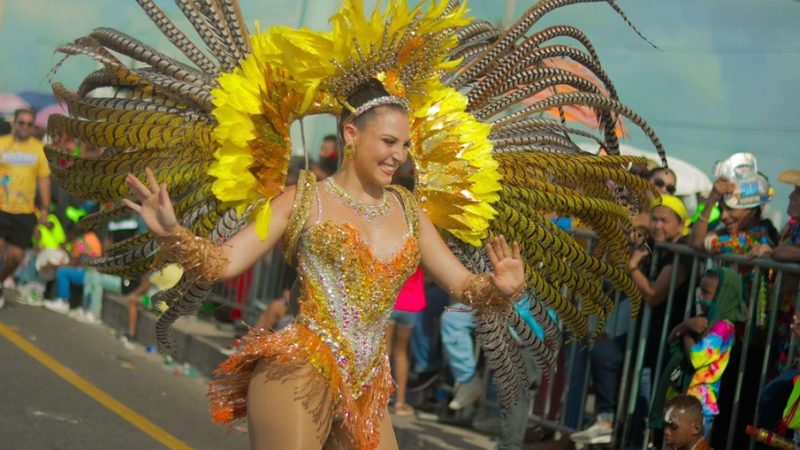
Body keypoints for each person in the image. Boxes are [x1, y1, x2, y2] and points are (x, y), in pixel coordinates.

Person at [49, 1, 667, 448]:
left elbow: (461, 285)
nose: (398, 154)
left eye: (405, 145)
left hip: (368, 387)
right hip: (299, 368)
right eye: (387, 141)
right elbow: (223, 262)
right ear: (350, 134)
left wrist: (501, 288)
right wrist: (172, 235)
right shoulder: (304, 197)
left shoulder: (408, 210)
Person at [651, 268, 746, 441]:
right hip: (679, 402)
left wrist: (687, 333)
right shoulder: (703, 319)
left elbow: (697, 358)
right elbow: (671, 340)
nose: (700, 296)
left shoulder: (724, 328)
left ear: (723, 295)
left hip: (699, 406)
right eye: (700, 290)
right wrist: (686, 325)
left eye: (706, 292)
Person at [0, 108, 51, 308]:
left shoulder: (39, 149)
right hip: (2, 207)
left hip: (25, 211)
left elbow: (44, 180)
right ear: (14, 123)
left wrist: (45, 208)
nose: (24, 127)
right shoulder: (3, 144)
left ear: (33, 127)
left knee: (15, 257)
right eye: (21, 122)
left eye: (29, 124)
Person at [386, 267, 426, 417]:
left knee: (385, 352)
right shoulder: (422, 245)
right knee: (402, 353)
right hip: (412, 303)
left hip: (391, 299)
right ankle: (400, 403)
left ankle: (380, 398)